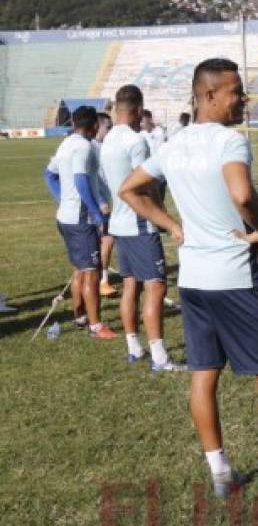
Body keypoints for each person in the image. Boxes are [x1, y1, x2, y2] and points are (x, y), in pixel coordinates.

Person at [119, 58, 258, 500]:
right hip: (235, 278)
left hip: (194, 282)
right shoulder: (230, 141)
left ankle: (220, 473)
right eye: (237, 91)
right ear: (209, 95)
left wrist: (172, 226)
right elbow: (241, 193)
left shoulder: (174, 145)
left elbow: (129, 189)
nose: (244, 99)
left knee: (203, 374)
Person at [101, 84, 183, 371]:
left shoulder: (108, 139)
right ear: (136, 109)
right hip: (139, 223)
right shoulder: (135, 141)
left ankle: (134, 346)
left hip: (120, 224)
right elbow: (144, 182)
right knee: (156, 286)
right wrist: (165, 218)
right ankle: (160, 355)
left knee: (130, 286)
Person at [43, 106, 117, 338]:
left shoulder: (66, 143)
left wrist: (61, 198)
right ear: (94, 125)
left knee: (80, 270)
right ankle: (96, 326)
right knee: (91, 272)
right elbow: (81, 181)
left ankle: (81, 317)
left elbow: (49, 174)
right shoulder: (84, 147)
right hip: (80, 220)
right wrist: (96, 214)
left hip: (66, 217)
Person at [94, 112, 118, 297]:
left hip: (107, 202)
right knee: (106, 241)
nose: (110, 131)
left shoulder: (105, 146)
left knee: (106, 241)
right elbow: (92, 179)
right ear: (97, 126)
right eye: (107, 127)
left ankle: (101, 279)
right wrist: (101, 201)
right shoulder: (92, 148)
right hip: (98, 205)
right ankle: (102, 280)